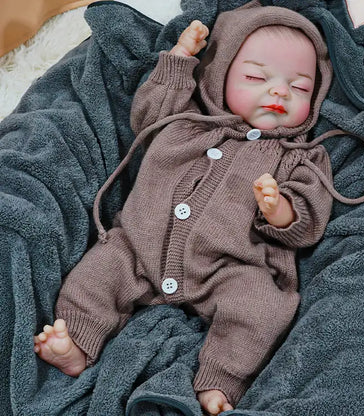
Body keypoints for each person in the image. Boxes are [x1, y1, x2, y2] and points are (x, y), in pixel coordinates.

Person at [34, 5, 336, 415]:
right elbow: (147, 114)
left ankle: (221, 382)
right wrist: (179, 59)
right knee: (97, 274)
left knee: (262, 308)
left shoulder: (299, 157)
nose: (279, 91)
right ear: (220, 74)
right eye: (256, 78)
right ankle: (78, 343)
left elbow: (311, 217)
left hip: (230, 268)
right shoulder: (185, 121)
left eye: (299, 87)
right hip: (138, 248)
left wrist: (281, 210)